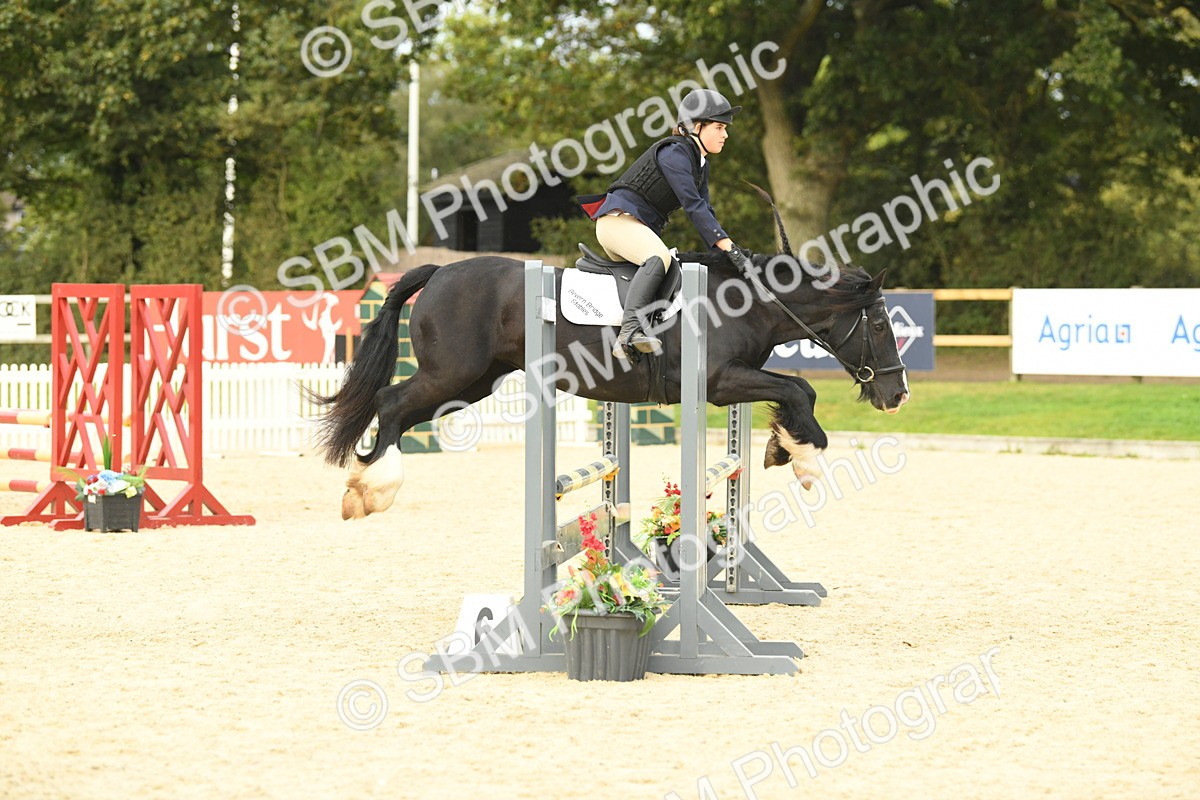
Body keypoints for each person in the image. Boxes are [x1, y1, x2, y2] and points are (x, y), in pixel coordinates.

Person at [579, 88, 753, 358]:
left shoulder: (699, 162)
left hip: (632, 225)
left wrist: (727, 251)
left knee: (670, 268)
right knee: (659, 257)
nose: (725, 134)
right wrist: (730, 248)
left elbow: (706, 208)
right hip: (617, 223)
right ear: (696, 127)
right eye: (719, 127)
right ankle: (629, 333)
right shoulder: (674, 154)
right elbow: (693, 206)